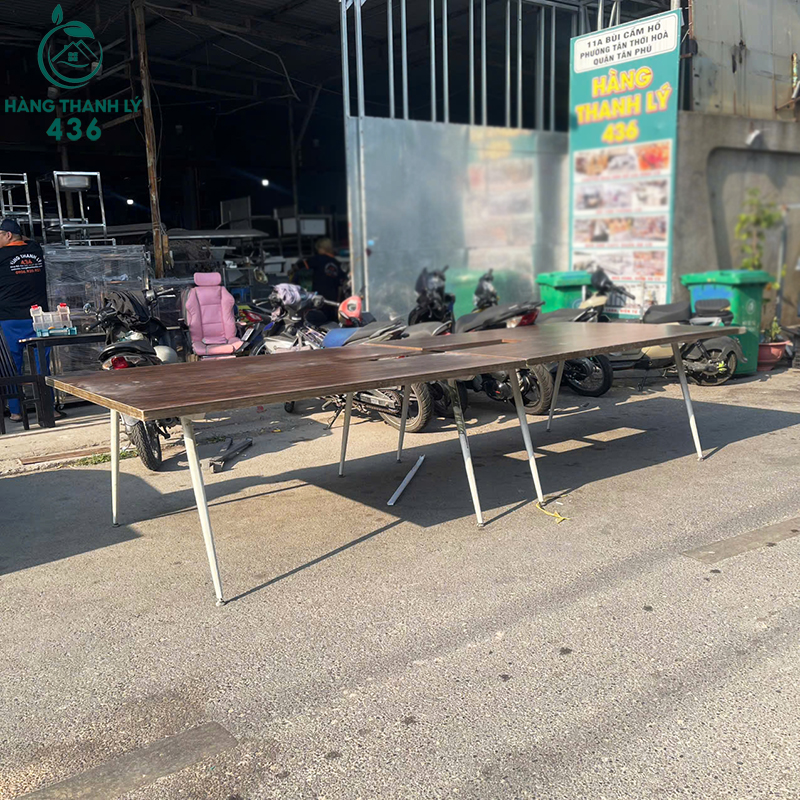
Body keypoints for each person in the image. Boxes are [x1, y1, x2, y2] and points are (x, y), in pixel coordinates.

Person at [0, 219, 51, 422]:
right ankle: (48, 409)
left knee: (12, 366)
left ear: (8, 235)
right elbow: (28, 240)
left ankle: (16, 411)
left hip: (10, 319)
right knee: (42, 365)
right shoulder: (35, 249)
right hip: (39, 317)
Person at [301, 237, 347, 321]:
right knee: (331, 320)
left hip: (319, 296)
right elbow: (341, 284)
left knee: (318, 319)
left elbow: (303, 265)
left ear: (323, 248)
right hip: (332, 298)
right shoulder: (337, 263)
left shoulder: (318, 258)